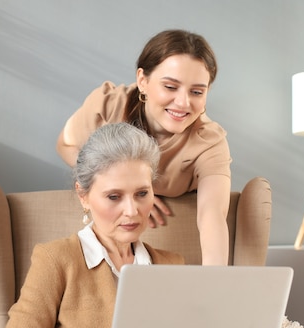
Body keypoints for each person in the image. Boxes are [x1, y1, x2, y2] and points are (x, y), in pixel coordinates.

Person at [0, 123, 285, 328]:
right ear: (83, 196)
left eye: (142, 193)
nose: (132, 211)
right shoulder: (57, 259)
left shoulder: (171, 266)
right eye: (114, 197)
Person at [56, 29, 231, 266]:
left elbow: (212, 214)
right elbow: (65, 144)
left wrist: (217, 282)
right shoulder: (109, 104)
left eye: (197, 92)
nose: (183, 102)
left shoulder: (209, 142)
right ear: (142, 80)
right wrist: (128, 189)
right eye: (170, 87)